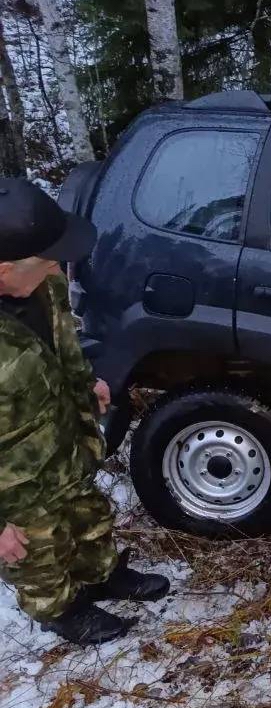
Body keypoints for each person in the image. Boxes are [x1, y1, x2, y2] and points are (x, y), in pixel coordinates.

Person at [0, 178, 169, 645]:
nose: (59, 266)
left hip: (63, 440)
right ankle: (61, 610)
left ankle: (101, 574)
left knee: (88, 513)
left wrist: (84, 384)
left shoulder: (40, 283)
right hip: (11, 483)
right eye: (47, 259)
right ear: (2, 271)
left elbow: (64, 342)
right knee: (38, 551)